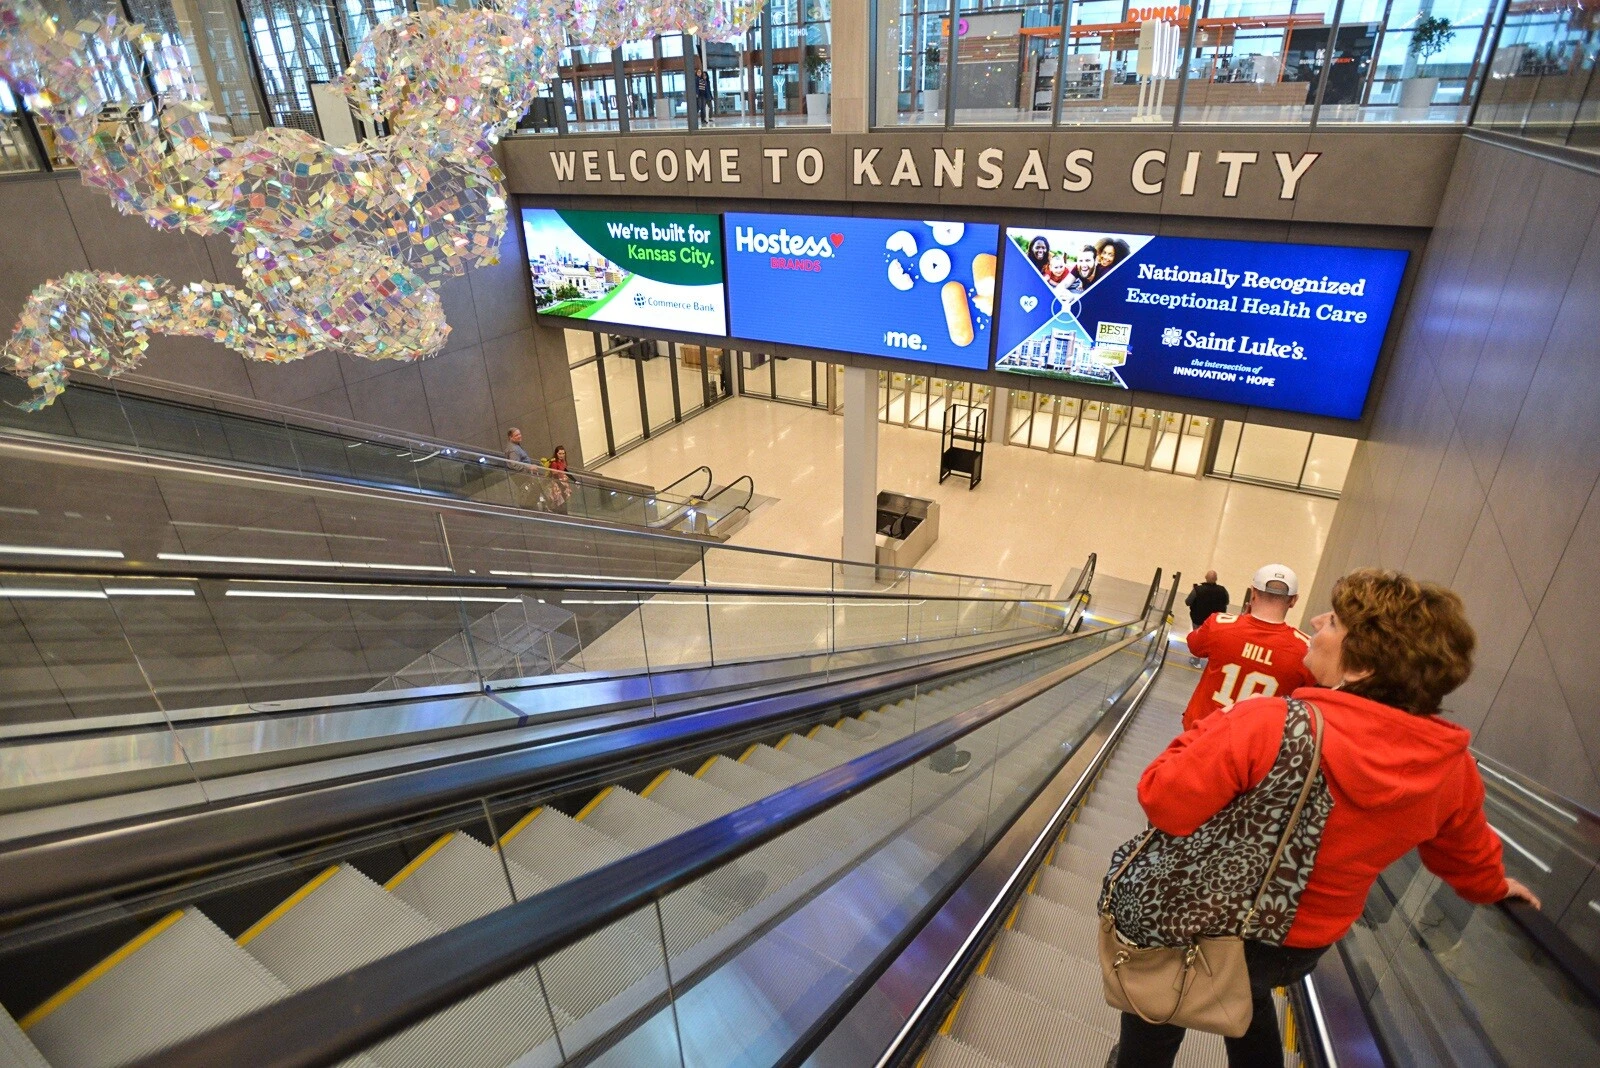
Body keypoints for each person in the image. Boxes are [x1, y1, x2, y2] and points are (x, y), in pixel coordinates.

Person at [1116, 568, 1540, 1067]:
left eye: (1334, 622)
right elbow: (1464, 855)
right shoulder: (1452, 768)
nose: (1317, 620)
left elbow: (1164, 801)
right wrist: (1493, 887)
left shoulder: (1267, 722)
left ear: (1359, 667)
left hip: (1209, 919)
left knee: (1158, 1013)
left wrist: (1210, 730)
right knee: (1243, 984)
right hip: (1299, 945)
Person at [1181, 564, 1315, 732]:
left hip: (1201, 732)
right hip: (1252, 746)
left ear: (1253, 593)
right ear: (1294, 601)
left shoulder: (1219, 624)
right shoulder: (1305, 649)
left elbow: (1194, 645)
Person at [1185, 570, 1231, 666]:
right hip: (1215, 621)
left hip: (1198, 619)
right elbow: (1226, 602)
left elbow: (1188, 602)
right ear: (1216, 579)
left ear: (1205, 577)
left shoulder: (1198, 589)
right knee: (1213, 641)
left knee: (1197, 640)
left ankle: (1196, 661)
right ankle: (1212, 662)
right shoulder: (1222, 590)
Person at [546, 443, 572, 515]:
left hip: (563, 483)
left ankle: (564, 514)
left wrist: (574, 480)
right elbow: (555, 475)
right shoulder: (554, 463)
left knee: (563, 501)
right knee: (559, 501)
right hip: (557, 484)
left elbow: (565, 470)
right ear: (556, 454)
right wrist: (561, 485)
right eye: (560, 453)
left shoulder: (563, 461)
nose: (561, 455)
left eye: (563, 453)